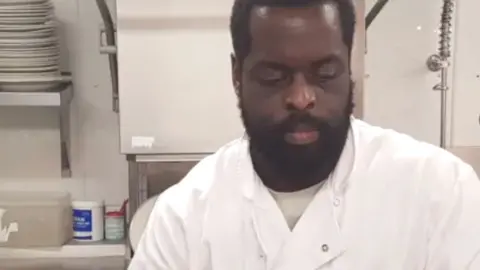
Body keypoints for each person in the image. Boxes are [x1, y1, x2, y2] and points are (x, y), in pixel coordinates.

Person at [129, 0, 480, 269]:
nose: (301, 98)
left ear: (349, 67)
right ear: (237, 75)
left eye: (325, 73)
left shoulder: (440, 191)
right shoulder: (183, 217)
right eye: (273, 76)